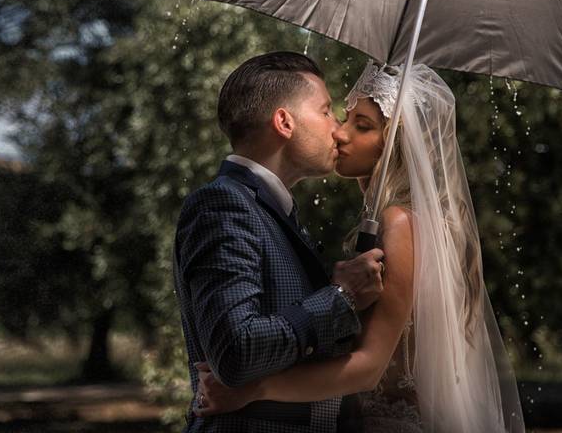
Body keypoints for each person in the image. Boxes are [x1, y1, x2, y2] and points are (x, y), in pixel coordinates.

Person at [194, 60, 526, 433]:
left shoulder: (399, 223)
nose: (339, 132)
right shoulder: (377, 221)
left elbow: (369, 367)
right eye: (341, 116)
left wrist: (256, 389)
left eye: (362, 126)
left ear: (395, 144)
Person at [174, 51, 387, 433]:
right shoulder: (223, 206)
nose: (337, 129)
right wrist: (341, 298)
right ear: (284, 121)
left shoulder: (272, 211)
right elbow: (236, 351)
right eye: (325, 111)